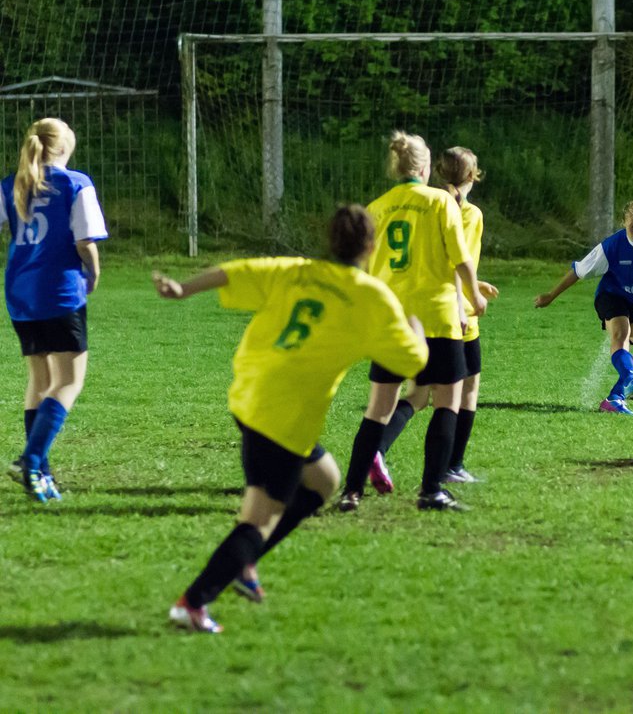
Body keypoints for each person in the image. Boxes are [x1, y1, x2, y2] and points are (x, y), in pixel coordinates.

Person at [154, 204, 427, 633]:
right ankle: (194, 602)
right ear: (370, 248)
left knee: (324, 480)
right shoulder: (371, 296)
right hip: (285, 417)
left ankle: (243, 566)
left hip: (249, 396)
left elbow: (233, 272)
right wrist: (416, 328)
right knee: (260, 517)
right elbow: (413, 362)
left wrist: (183, 289)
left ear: (330, 240)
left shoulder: (297, 270)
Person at [338, 132, 487, 514]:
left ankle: (351, 492)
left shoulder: (377, 208)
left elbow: (366, 270)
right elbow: (460, 259)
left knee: (378, 408)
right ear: (424, 168)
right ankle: (431, 490)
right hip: (437, 316)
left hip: (393, 319)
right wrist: (475, 296)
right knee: (447, 402)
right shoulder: (440, 201)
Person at [370, 146, 498, 489]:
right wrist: (467, 299)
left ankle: (376, 448)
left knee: (420, 392)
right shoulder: (468, 213)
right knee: (465, 391)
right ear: (473, 176)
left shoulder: (424, 202)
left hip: (415, 307)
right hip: (455, 313)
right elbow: (459, 260)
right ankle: (451, 466)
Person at [2, 118, 107, 503]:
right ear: (64, 149)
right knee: (69, 380)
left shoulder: (13, 183)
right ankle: (30, 458)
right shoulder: (75, 182)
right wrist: (94, 272)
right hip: (59, 290)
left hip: (20, 293)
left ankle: (39, 472)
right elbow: (84, 239)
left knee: (40, 378)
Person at [534, 200, 633, 415]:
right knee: (622, 333)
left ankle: (615, 399)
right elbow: (579, 271)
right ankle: (631, 377)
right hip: (611, 296)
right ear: (624, 223)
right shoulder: (612, 246)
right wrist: (551, 296)